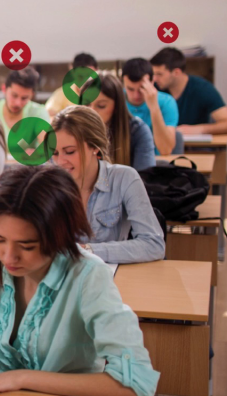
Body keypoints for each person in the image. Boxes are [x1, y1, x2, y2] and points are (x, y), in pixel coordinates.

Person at [0, 165, 159, 396]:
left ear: (59, 235)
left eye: (26, 246)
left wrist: (21, 378)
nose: (8, 257)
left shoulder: (89, 276)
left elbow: (137, 386)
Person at [51, 106, 165, 264]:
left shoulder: (125, 178)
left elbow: (154, 244)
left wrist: (88, 251)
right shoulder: (48, 182)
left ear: (94, 147)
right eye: (54, 153)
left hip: (111, 279)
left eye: (70, 151)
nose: (60, 162)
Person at [150, 47, 227, 135]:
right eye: (153, 74)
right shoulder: (154, 89)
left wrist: (200, 129)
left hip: (194, 146)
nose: (154, 79)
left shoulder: (202, 88)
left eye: (159, 74)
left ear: (176, 72)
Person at [89, 73, 156, 171]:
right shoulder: (73, 130)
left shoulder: (137, 131)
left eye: (101, 106)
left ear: (116, 106)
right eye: (86, 104)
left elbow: (145, 180)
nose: (92, 111)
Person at [122, 57, 177, 155]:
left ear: (152, 82)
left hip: (155, 164)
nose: (136, 95)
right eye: (130, 89)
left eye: (141, 89)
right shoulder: (116, 99)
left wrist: (154, 107)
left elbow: (165, 150)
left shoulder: (167, 102)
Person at [0, 67, 49, 136]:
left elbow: (47, 143)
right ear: (4, 89)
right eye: (14, 95)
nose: (18, 103)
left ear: (32, 96)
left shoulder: (38, 112)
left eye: (24, 98)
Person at [45, 53, 98, 118]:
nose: (86, 81)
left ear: (97, 71)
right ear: (73, 73)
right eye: (81, 77)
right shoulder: (62, 93)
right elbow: (47, 115)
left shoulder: (103, 91)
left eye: (90, 76)